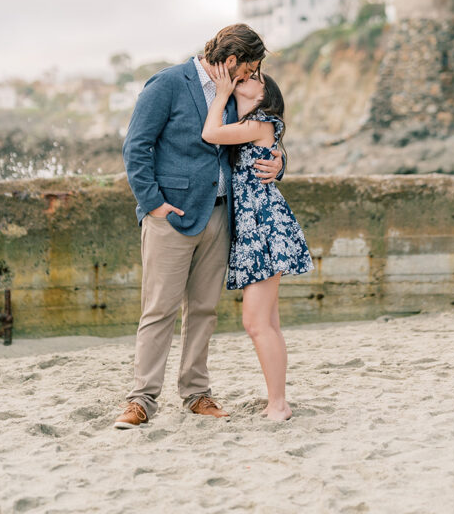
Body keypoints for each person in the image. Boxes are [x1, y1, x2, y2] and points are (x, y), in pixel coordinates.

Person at [113, 24, 284, 429]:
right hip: (172, 215)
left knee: (204, 310)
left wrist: (279, 164)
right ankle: (141, 399)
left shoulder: (236, 96)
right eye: (250, 68)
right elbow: (136, 146)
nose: (251, 77)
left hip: (222, 214)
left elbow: (261, 135)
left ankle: (196, 393)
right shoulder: (168, 83)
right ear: (230, 62)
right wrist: (153, 204)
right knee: (159, 310)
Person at [201, 64, 313, 421]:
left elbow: (210, 133)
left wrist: (219, 95)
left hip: (264, 225)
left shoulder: (260, 122)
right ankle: (277, 400)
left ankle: (279, 403)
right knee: (268, 323)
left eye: (252, 79)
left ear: (263, 95)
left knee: (256, 323)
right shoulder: (251, 125)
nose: (243, 80)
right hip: (255, 226)